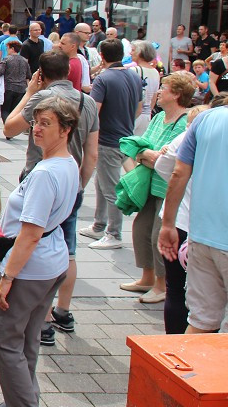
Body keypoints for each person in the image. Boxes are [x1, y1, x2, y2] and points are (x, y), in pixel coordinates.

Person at [0, 96, 80, 407]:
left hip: (31, 267)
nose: (36, 129)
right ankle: (21, 403)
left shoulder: (46, 172)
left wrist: (7, 278)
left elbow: (30, 232)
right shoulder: (67, 163)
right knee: (25, 339)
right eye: (36, 122)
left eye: (46, 124)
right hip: (49, 262)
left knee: (3, 340)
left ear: (66, 129)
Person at [2, 49, 100, 346]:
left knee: (35, 239)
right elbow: (92, 152)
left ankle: (43, 322)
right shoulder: (88, 101)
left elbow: (9, 127)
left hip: (41, 178)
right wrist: (79, 184)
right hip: (72, 179)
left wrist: (31, 90)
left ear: (40, 74)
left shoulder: (42, 100)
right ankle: (64, 311)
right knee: (67, 248)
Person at [118, 74, 193, 305]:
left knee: (156, 236)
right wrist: (147, 155)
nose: (159, 91)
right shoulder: (159, 116)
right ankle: (147, 278)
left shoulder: (184, 121)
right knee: (141, 229)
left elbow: (167, 157)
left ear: (177, 94)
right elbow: (144, 148)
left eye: (165, 88)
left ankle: (162, 285)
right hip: (150, 182)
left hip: (167, 187)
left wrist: (148, 155)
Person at [158, 98, 228, 333]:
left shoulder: (207, 118)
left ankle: (184, 370)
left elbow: (178, 173)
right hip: (210, 238)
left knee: (200, 321)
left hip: (201, 238)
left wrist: (168, 224)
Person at [82, 39, 143, 250]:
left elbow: (94, 110)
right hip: (125, 136)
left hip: (108, 139)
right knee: (102, 183)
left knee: (110, 188)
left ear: (102, 56)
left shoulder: (103, 79)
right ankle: (100, 224)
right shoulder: (134, 76)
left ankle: (114, 233)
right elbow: (139, 107)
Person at [154, 105, 209, 333]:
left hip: (181, 222)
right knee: (203, 297)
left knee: (176, 289)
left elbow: (165, 167)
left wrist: (183, 184)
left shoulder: (191, 133)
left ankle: (174, 348)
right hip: (201, 226)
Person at [129, 41, 162, 134]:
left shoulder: (134, 70)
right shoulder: (155, 72)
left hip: (133, 114)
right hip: (147, 115)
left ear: (140, 52)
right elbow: (154, 97)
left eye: (133, 50)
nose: (130, 53)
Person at [0, 40, 32, 123]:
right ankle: (11, 126)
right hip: (21, 89)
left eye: (7, 48)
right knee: (14, 110)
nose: (7, 50)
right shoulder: (24, 60)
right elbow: (29, 75)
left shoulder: (7, 59)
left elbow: (0, 72)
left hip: (9, 87)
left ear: (12, 49)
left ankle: (7, 125)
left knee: (5, 110)